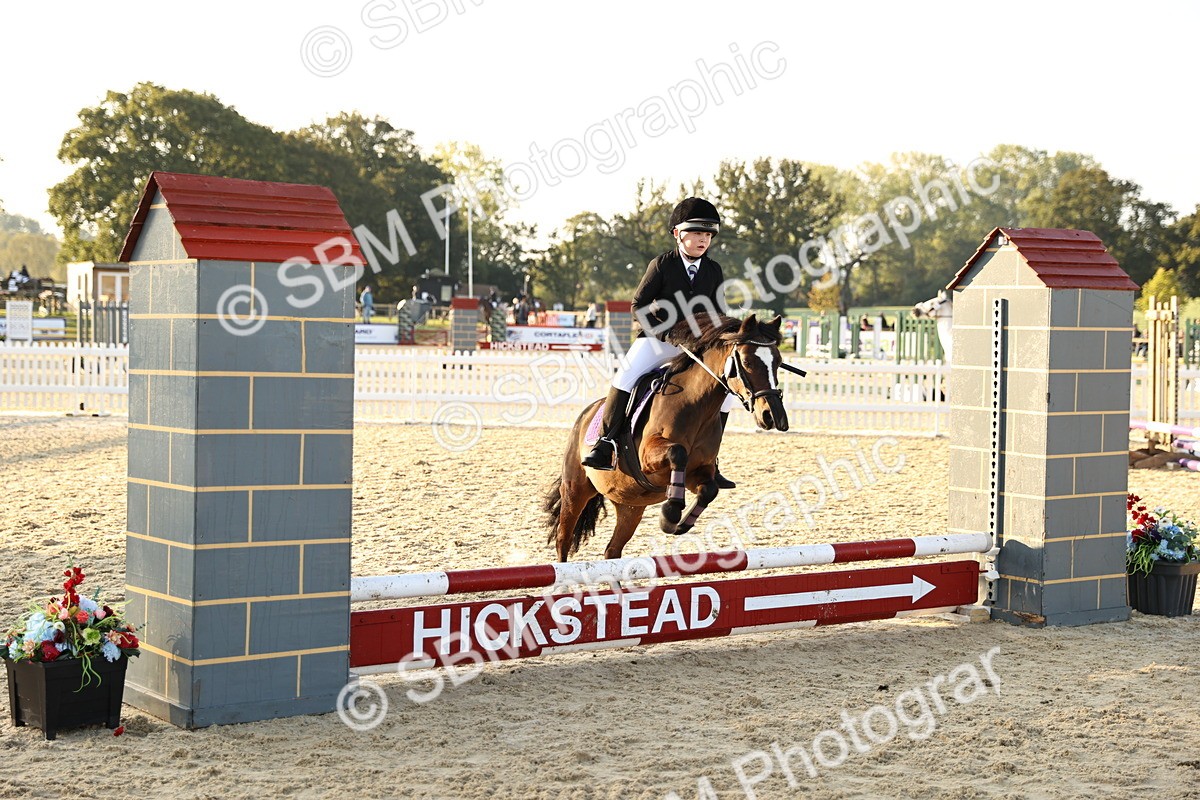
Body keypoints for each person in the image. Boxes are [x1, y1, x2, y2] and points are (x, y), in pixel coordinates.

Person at [581, 197, 738, 488]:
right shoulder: (662, 264)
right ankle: (606, 443)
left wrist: (723, 335)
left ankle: (711, 460)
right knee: (626, 376)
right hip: (659, 340)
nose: (703, 240)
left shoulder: (713, 270)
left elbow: (718, 311)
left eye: (707, 235)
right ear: (678, 234)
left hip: (698, 346)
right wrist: (664, 332)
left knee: (727, 392)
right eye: (696, 234)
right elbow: (638, 304)